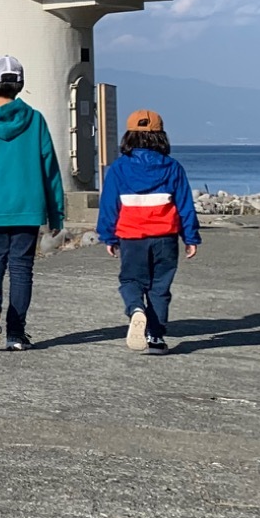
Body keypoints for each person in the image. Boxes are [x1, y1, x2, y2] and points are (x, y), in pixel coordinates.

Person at [0, 55, 65, 352]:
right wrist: (56, 213)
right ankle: (16, 334)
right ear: (20, 85)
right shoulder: (35, 120)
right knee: (21, 269)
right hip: (28, 207)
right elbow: (50, 169)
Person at [97, 108, 200, 353]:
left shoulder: (119, 168)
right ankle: (156, 337)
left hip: (131, 236)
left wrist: (108, 236)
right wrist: (190, 237)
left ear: (128, 136)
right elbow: (185, 204)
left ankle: (135, 309)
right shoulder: (173, 168)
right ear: (161, 137)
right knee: (160, 287)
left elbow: (109, 205)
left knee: (131, 280)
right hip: (165, 237)